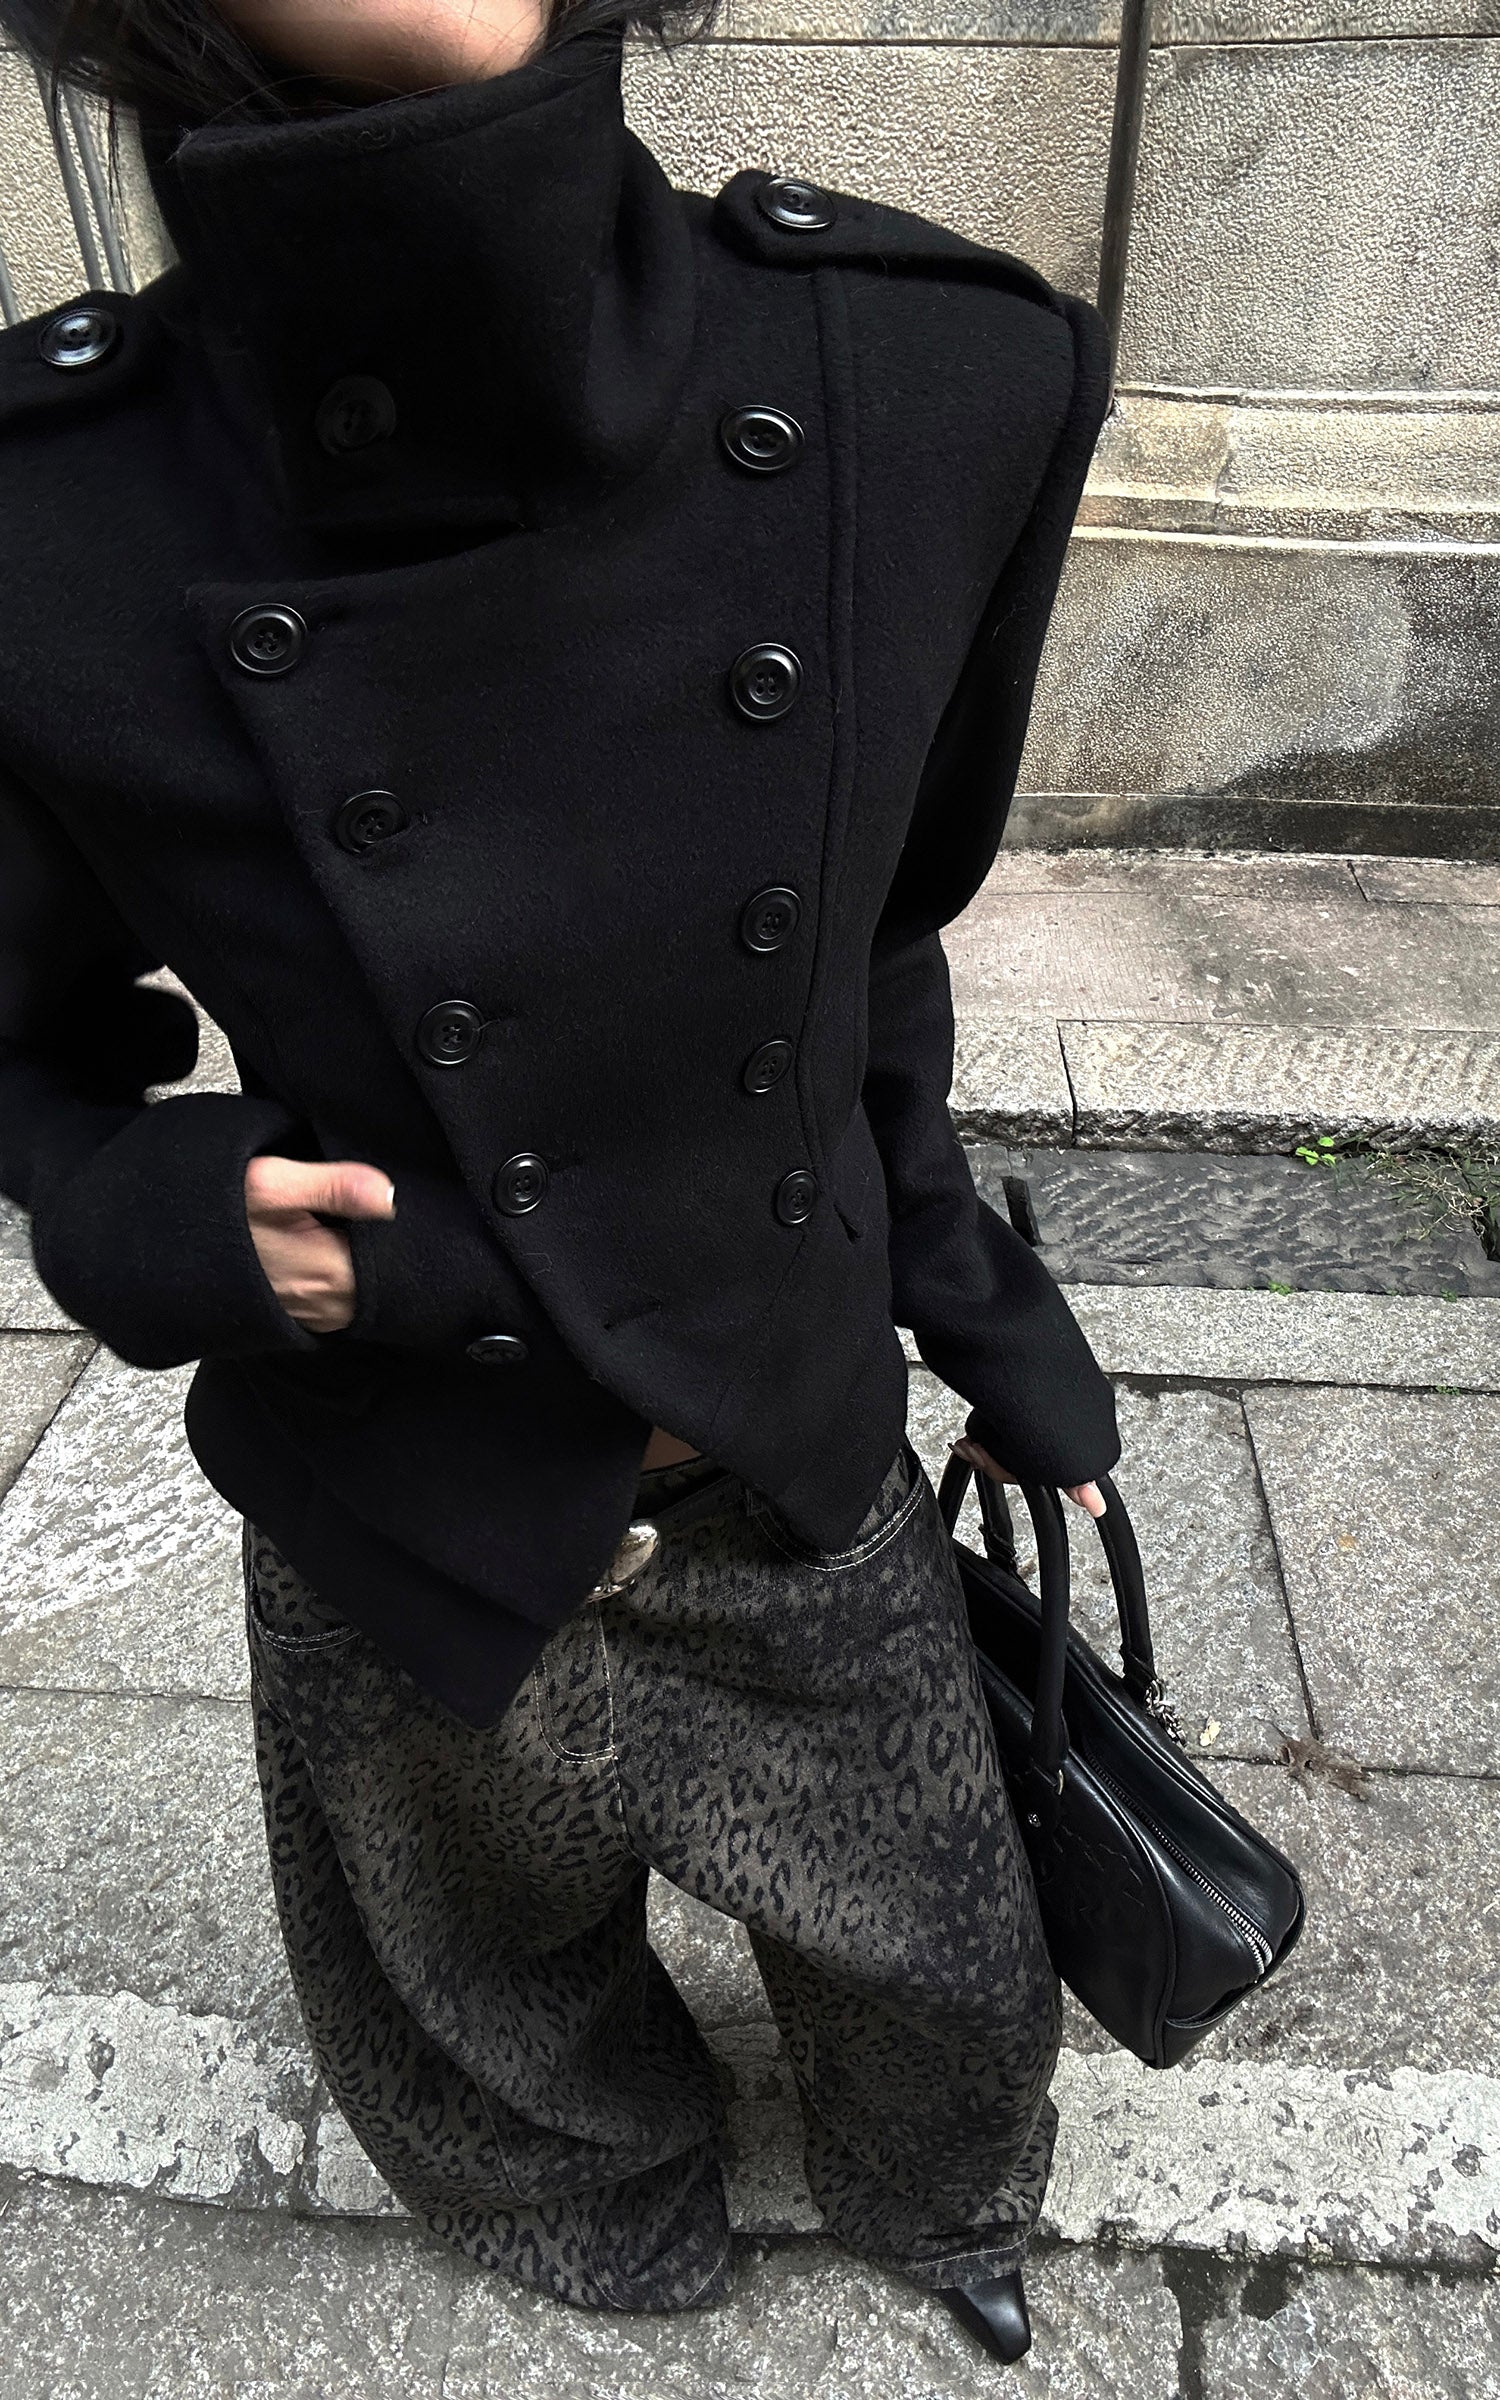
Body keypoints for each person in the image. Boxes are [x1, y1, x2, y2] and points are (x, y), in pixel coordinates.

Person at [0, 0, 1121, 2364]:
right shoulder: (43, 507)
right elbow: (19, 1045)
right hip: (396, 1473)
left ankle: (938, 2190)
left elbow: (867, 946)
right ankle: (586, 2203)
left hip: (779, 1431)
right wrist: (153, 1220)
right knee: (466, 1962)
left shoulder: (934, 373)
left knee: (935, 1939)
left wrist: (996, 1328)